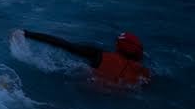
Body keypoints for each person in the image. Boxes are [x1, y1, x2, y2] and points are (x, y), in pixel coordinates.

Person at [20, 29, 152, 88]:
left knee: (78, 70)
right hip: (115, 97)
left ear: (118, 47)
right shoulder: (143, 73)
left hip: (86, 88)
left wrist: (27, 33)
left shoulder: (99, 55)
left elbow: (63, 44)